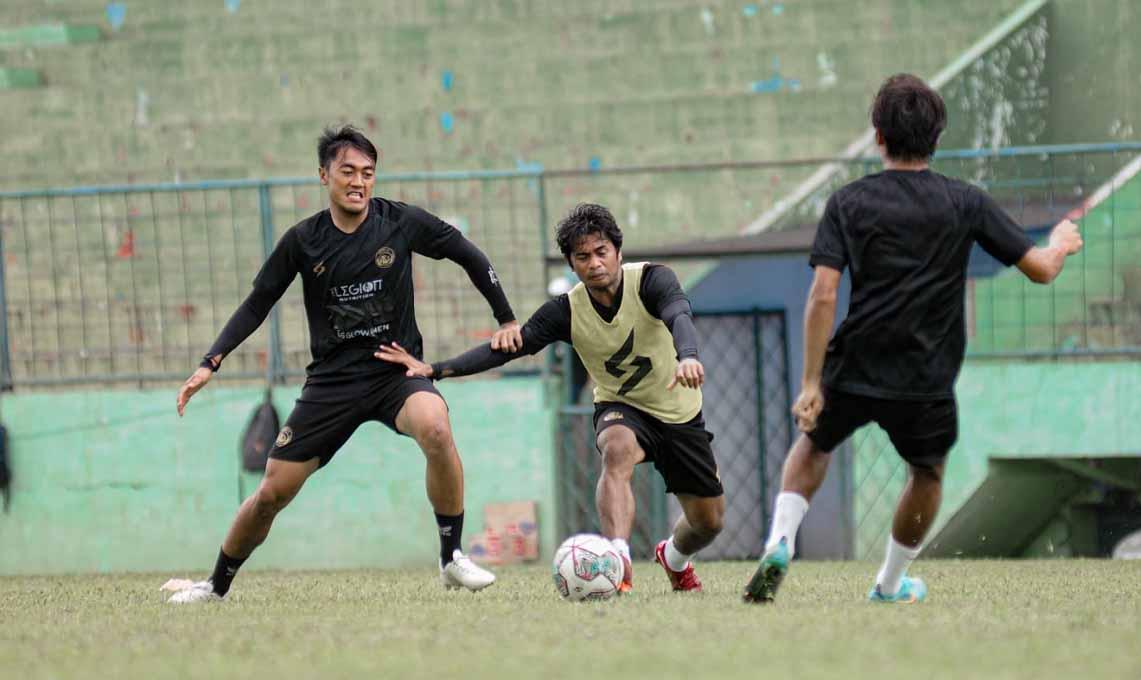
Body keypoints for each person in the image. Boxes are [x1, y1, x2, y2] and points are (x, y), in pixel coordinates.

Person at [743, 74, 1083, 604]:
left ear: (878, 136)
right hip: (926, 375)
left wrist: (811, 380)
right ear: (937, 137)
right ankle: (889, 583)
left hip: (854, 362)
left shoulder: (848, 203)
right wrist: (1059, 241)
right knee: (927, 472)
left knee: (813, 443)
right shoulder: (965, 202)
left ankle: (780, 541)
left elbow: (823, 295)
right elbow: (1041, 269)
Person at [169, 125, 523, 602]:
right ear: (324, 176)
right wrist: (211, 361)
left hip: (394, 373)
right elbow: (258, 303)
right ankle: (215, 585)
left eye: (368, 173)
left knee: (436, 427)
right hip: (332, 384)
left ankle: (451, 557)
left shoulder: (400, 222)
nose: (359, 181)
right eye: (348, 171)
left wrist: (505, 317)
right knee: (272, 492)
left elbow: (467, 253)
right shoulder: (303, 241)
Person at [376, 203, 724, 593]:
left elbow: (678, 314)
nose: (594, 263)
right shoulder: (566, 311)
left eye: (601, 252)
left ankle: (673, 559)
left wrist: (688, 357)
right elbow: (508, 348)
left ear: (618, 251)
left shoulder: (652, 280)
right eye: (582, 256)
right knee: (616, 448)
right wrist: (435, 369)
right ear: (571, 264)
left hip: (679, 413)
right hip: (622, 407)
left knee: (708, 521)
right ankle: (617, 557)